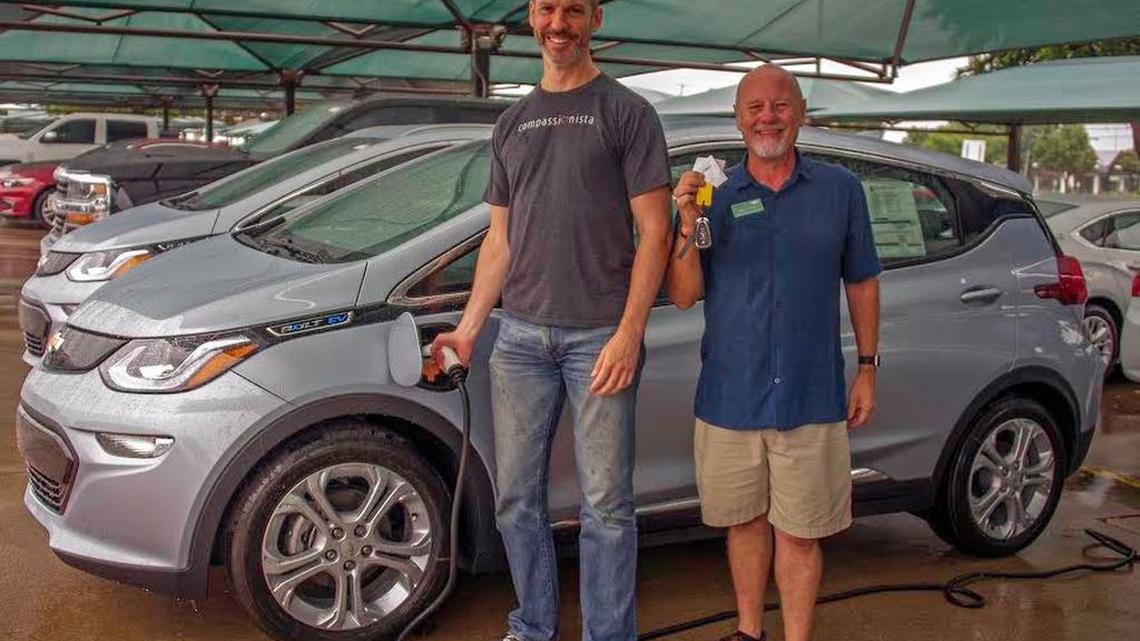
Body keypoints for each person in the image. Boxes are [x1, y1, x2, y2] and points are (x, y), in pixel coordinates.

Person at [430, 1, 672, 640]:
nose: (557, 22)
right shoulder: (513, 122)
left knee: (607, 509)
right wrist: (469, 327)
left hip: (600, 337)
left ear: (595, 17)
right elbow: (499, 240)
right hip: (519, 341)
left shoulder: (626, 112)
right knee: (515, 501)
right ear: (531, 19)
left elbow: (655, 232)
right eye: (545, 8)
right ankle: (534, 626)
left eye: (571, 8)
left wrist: (629, 333)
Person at [666, 64, 882, 641]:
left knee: (802, 532)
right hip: (730, 394)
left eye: (780, 105)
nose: (768, 117)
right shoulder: (713, 194)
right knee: (743, 524)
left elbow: (862, 281)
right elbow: (684, 295)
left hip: (811, 396)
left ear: (801, 112)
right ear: (738, 120)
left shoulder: (840, 191)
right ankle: (748, 631)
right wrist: (686, 225)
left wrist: (867, 369)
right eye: (755, 107)